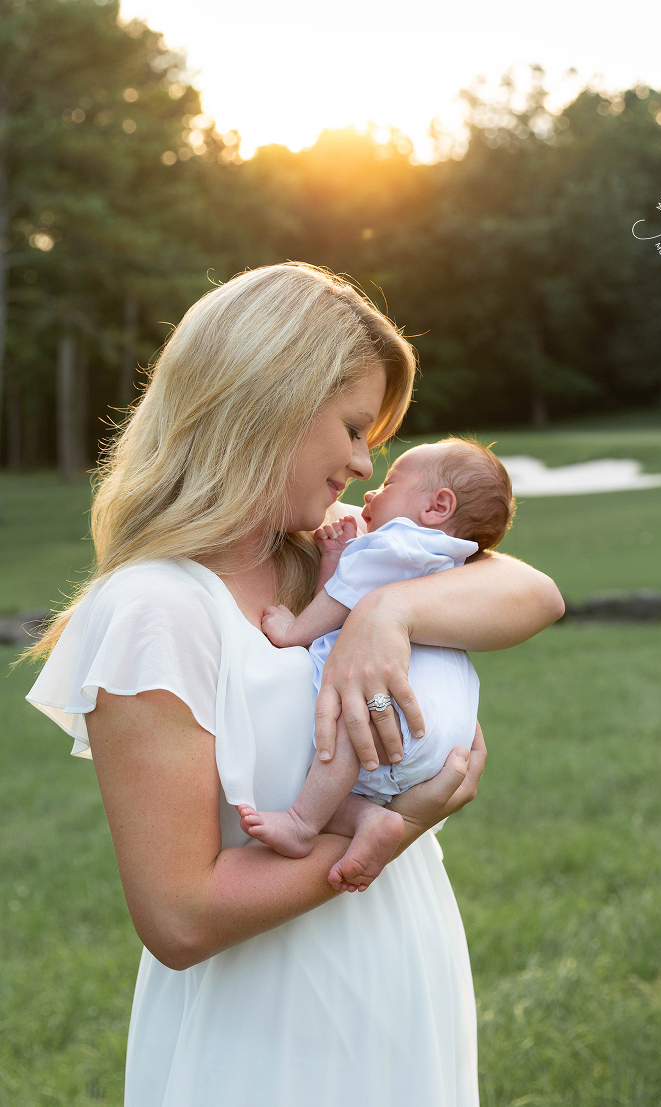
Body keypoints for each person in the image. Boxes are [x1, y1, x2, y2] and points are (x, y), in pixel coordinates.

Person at [25, 263, 564, 1107]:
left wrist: (388, 613)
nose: (362, 462)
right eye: (352, 427)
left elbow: (534, 593)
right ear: (270, 398)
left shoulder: (328, 553)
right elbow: (180, 917)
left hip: (401, 968)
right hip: (270, 1020)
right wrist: (397, 828)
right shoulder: (155, 607)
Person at [238, 438, 515, 894]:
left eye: (390, 484)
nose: (370, 490)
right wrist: (335, 558)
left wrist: (293, 631)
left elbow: (338, 604)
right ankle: (373, 819)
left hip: (396, 718)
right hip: (447, 739)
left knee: (351, 716)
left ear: (437, 505)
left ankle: (302, 823)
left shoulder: (399, 543)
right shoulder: (450, 559)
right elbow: (348, 594)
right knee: (348, 787)